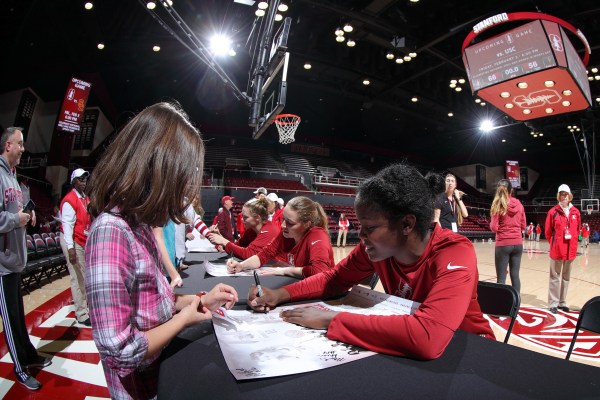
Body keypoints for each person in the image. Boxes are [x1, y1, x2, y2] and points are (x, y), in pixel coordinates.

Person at [248, 163, 494, 360]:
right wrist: (280, 295)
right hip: (413, 348)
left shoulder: (455, 251)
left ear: (407, 224)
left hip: (471, 353)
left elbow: (427, 337)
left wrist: (331, 319)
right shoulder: (378, 248)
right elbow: (334, 278)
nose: (361, 236)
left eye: (370, 227)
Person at [84, 102, 238, 399]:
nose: (185, 193)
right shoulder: (111, 233)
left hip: (161, 374)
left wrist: (201, 299)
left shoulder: (138, 225)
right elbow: (121, 352)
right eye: (181, 180)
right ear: (157, 171)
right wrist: (185, 319)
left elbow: (154, 300)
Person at [0, 127, 50, 391]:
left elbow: (14, 212)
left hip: (15, 258)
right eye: (20, 144)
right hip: (2, 265)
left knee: (19, 316)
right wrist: (14, 219)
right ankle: (19, 368)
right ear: (8, 145)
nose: (23, 149)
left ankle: (29, 355)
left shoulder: (13, 176)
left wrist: (26, 216)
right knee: (9, 319)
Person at [227, 196, 334, 278]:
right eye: (283, 219)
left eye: (290, 223)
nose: (282, 225)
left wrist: (286, 270)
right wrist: (241, 265)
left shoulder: (318, 235)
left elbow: (319, 271)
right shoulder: (286, 234)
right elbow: (264, 255)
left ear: (306, 224)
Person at [59, 167, 92, 326]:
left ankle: (85, 307)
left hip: (81, 239)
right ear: (73, 181)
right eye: (80, 179)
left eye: (85, 178)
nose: (84, 181)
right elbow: (67, 226)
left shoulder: (85, 198)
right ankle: (81, 313)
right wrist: (70, 249)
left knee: (84, 276)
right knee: (77, 276)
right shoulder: (70, 200)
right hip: (72, 240)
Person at [545, 184, 581, 314]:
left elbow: (577, 230)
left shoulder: (576, 212)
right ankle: (553, 303)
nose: (564, 196)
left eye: (566, 194)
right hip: (557, 250)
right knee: (554, 277)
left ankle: (562, 302)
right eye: (561, 194)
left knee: (566, 278)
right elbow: (548, 232)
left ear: (570, 196)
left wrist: (574, 245)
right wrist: (555, 244)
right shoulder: (552, 212)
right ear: (558, 196)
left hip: (570, 251)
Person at [209, 195, 280, 259]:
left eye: (245, 217)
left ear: (257, 218)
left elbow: (249, 255)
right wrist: (220, 238)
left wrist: (223, 241)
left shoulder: (269, 231)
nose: (242, 219)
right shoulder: (251, 230)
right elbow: (237, 247)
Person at [489, 179, 526, 293]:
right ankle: (516, 304)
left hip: (503, 244)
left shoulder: (498, 204)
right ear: (512, 190)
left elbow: (494, 227)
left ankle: (501, 305)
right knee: (515, 276)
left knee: (501, 278)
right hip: (518, 243)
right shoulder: (519, 205)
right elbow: (523, 225)